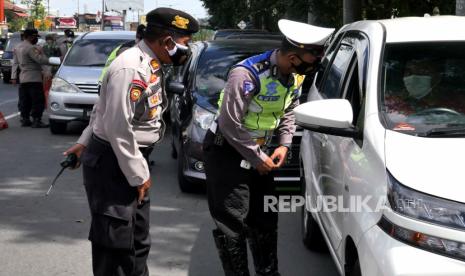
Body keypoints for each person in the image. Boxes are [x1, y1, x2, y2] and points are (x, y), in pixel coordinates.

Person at [63, 8, 198, 276]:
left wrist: (83, 140)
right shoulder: (130, 67)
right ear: (167, 42)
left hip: (129, 159)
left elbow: (103, 109)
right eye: (185, 43)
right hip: (116, 163)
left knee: (136, 242)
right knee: (114, 246)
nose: (187, 49)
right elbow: (117, 126)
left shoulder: (150, 63)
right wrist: (137, 175)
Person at [203, 19, 334, 276]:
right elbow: (230, 124)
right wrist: (256, 156)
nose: (315, 63)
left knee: (265, 218)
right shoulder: (246, 74)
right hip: (227, 153)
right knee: (233, 221)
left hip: (260, 154)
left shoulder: (294, 76)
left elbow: (289, 112)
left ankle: (269, 272)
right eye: (312, 57)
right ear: (294, 56)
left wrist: (284, 144)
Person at [11, 28, 57, 128]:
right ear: (30, 37)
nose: (36, 39)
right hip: (34, 78)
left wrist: (13, 77)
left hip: (23, 77)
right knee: (37, 100)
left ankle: (25, 119)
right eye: (35, 37)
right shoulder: (31, 48)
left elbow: (15, 63)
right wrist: (42, 53)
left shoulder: (17, 47)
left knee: (25, 100)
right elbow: (40, 60)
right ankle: (37, 120)